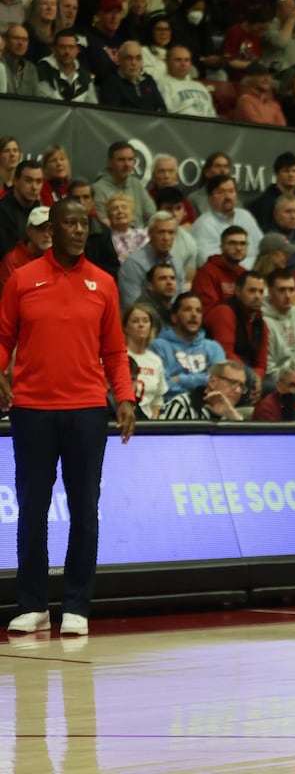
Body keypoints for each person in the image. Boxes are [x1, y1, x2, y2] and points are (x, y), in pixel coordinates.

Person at [0, 198, 136, 637]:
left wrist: (126, 397)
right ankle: (33, 605)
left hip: (87, 411)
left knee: (84, 509)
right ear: (50, 231)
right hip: (32, 410)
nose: (79, 230)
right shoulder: (22, 279)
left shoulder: (104, 284)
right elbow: (3, 338)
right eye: (70, 223)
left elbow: (115, 350)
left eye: (84, 223)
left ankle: (77, 605)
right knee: (32, 510)